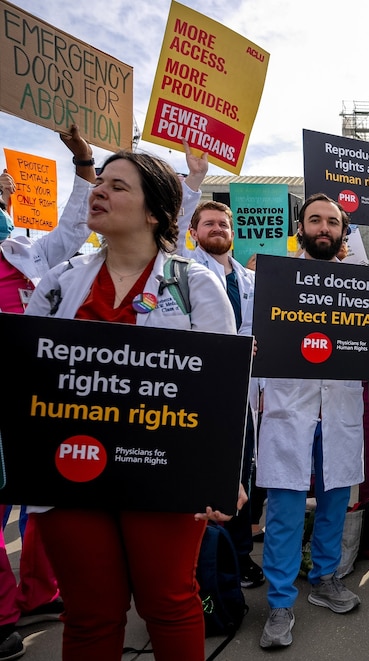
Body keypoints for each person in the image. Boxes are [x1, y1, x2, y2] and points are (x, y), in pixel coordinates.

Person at [25, 151, 243, 661]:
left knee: (168, 604)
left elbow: (220, 392)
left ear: (154, 213)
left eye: (117, 186)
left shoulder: (195, 284)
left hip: (162, 473)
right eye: (99, 181)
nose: (98, 190)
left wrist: (218, 473)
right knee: (89, 613)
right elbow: (27, 376)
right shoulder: (59, 283)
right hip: (70, 469)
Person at [0, 126, 95, 660]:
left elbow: (73, 228)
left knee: (42, 497)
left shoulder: (24, 254)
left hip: (34, 396)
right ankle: (0, 613)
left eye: (1, 194)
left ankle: (40, 592)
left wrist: (83, 163)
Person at [255, 194, 364, 649]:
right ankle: (280, 601)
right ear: (301, 228)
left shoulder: (361, 287)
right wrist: (253, 345)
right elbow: (250, 331)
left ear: (342, 231)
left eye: (332, 222)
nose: (324, 227)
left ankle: (324, 579)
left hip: (337, 408)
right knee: (284, 508)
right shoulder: (272, 279)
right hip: (290, 408)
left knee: (336, 499)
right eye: (315, 220)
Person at [175, 145, 264, 590]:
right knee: (202, 468)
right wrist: (194, 181)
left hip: (244, 391)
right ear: (194, 232)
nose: (218, 229)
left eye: (224, 224)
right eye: (209, 223)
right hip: (197, 389)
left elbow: (262, 337)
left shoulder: (249, 281)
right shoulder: (183, 268)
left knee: (242, 471)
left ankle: (238, 555)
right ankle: (198, 558)